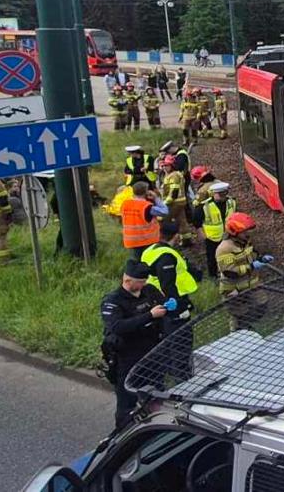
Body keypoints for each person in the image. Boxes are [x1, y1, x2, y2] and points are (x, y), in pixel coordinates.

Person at [100, 258, 170, 429]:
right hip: (127, 357)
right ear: (127, 280)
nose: (143, 284)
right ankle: (123, 433)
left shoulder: (149, 291)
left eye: (144, 281)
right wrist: (149, 316)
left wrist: (169, 307)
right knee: (127, 402)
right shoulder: (112, 301)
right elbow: (117, 327)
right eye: (139, 282)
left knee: (157, 397)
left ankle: (157, 429)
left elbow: (163, 305)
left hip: (153, 353)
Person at [215, 212, 271, 330]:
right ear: (234, 232)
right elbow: (230, 272)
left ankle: (246, 327)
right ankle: (239, 332)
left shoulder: (245, 242)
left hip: (250, 285)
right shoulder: (224, 248)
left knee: (262, 303)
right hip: (233, 290)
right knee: (240, 316)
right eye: (244, 231)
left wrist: (261, 259)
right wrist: (252, 266)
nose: (248, 233)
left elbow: (252, 254)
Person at [194, 181, 238, 279]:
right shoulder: (205, 206)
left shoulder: (231, 202)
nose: (223, 197)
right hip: (212, 237)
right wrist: (200, 233)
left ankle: (229, 272)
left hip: (229, 235)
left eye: (224, 194)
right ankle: (213, 275)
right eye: (220, 195)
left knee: (229, 254)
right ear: (213, 194)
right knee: (212, 257)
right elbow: (196, 220)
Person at [119, 181, 166, 251]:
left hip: (131, 241)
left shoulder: (125, 204)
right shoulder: (147, 207)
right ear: (146, 192)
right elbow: (164, 211)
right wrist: (156, 198)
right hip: (147, 241)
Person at [157, 155, 190, 250]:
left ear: (172, 166)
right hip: (180, 202)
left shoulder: (174, 176)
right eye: (163, 166)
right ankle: (186, 239)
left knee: (162, 220)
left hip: (174, 202)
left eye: (166, 165)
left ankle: (166, 240)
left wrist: (165, 203)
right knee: (182, 220)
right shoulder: (173, 174)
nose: (164, 167)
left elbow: (174, 192)